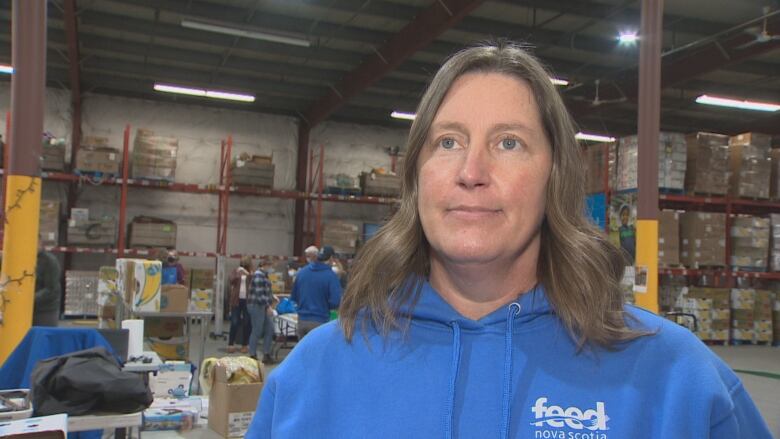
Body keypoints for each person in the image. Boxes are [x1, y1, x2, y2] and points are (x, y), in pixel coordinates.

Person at [247, 42, 771, 438]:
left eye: (509, 142)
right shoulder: (312, 376)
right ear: (416, 177)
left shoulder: (677, 378)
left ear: (555, 177)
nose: (472, 171)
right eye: (447, 141)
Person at [289, 245, 342, 339]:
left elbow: (294, 296)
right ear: (331, 258)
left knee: (304, 352)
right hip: (319, 321)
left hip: (302, 321)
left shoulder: (302, 273)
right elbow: (335, 301)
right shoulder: (331, 276)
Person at [247, 262, 276, 365]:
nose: (272, 268)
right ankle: (252, 355)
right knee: (257, 330)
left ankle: (266, 354)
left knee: (270, 328)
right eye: (271, 265)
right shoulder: (258, 275)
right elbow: (259, 294)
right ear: (265, 265)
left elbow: (265, 291)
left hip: (263, 305)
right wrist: (268, 306)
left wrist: (272, 297)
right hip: (256, 306)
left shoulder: (264, 275)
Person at [227, 257, 253, 353]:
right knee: (234, 322)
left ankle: (245, 344)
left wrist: (247, 274)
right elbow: (231, 280)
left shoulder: (251, 273)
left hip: (247, 301)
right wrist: (238, 274)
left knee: (247, 322)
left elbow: (254, 281)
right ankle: (231, 343)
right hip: (236, 300)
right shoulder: (236, 271)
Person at [34, 246, 61, 326]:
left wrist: (29, 299)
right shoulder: (20, 258)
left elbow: (51, 289)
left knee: (43, 336)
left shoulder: (49, 261)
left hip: (45, 310)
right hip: (24, 309)